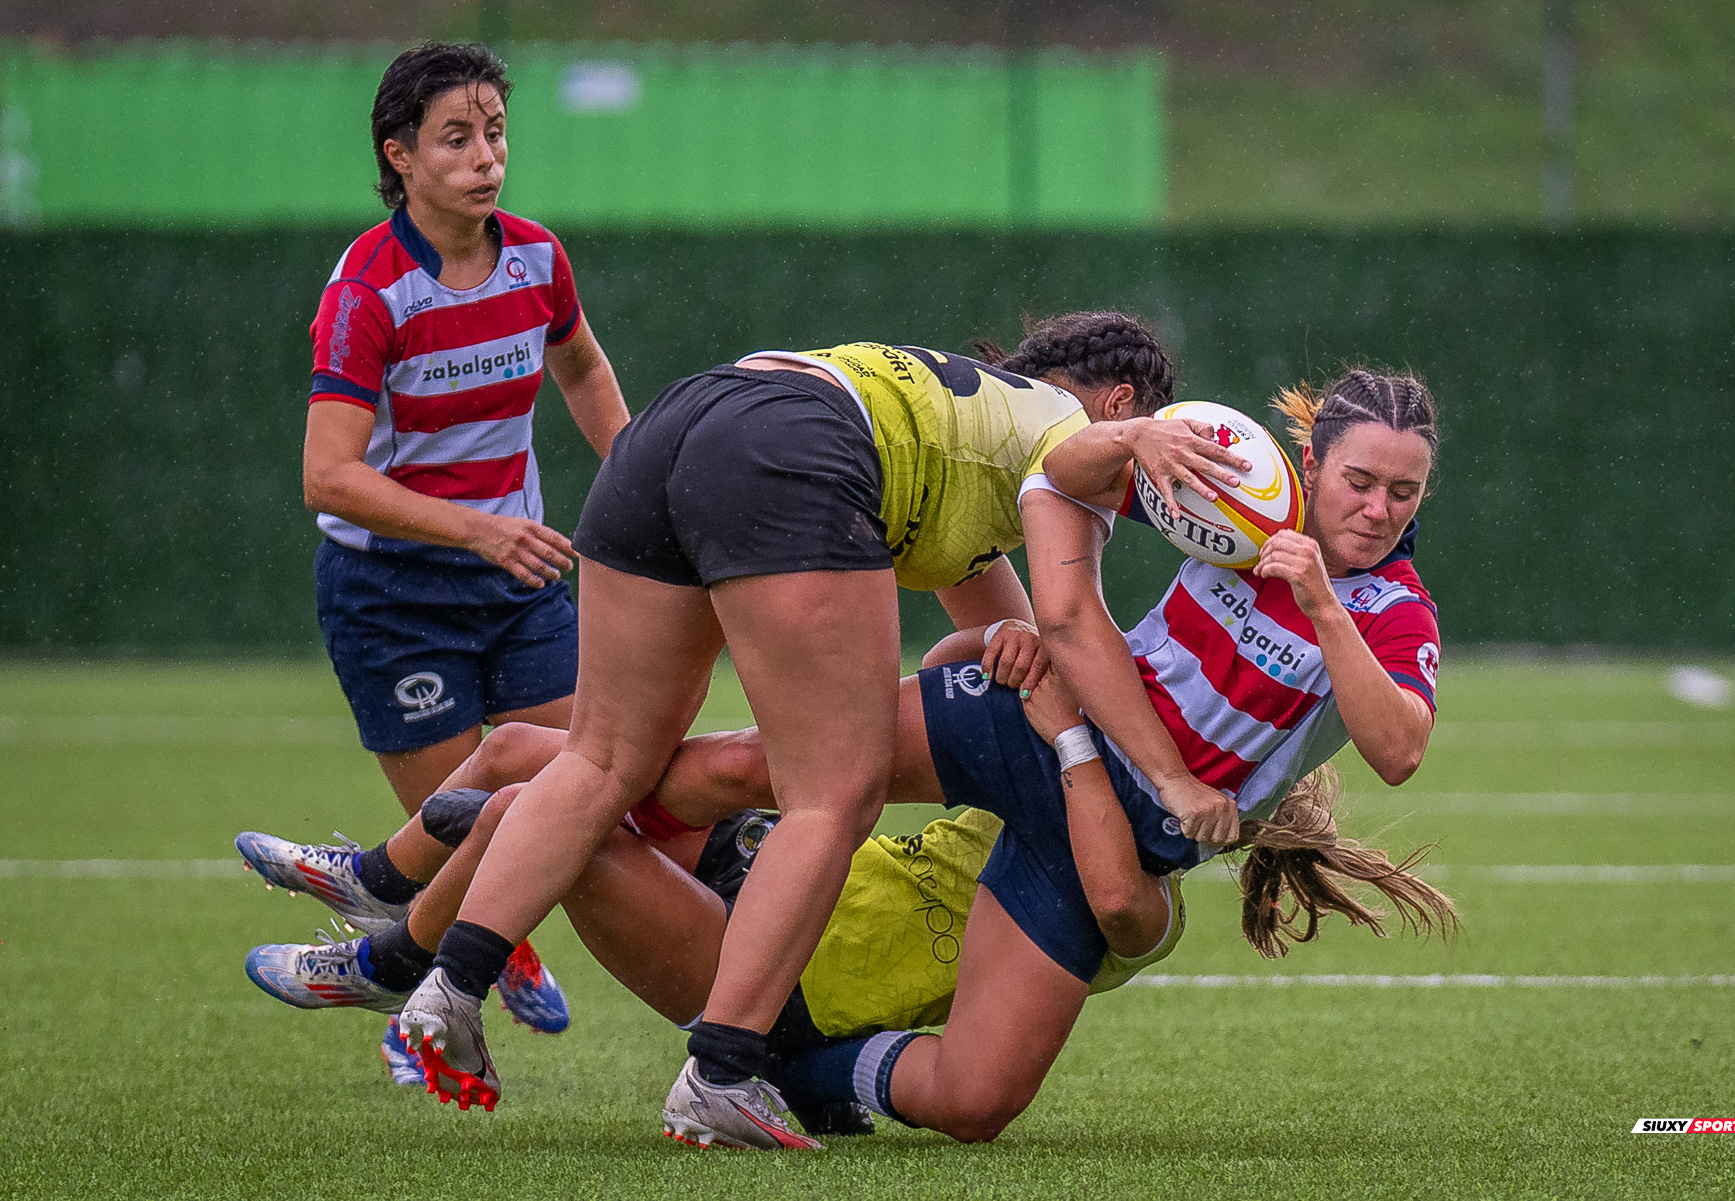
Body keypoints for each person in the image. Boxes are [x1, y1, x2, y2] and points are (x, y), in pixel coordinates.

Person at [396, 316, 1254, 1147]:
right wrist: (1134, 444)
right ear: (1121, 404)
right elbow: (1069, 585)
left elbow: (1007, 642)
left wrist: (1031, 660)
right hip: (794, 444)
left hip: (685, 417)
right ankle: (722, 1073)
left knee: (604, 757)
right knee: (834, 792)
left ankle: (448, 982)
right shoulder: (1068, 438)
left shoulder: (979, 455)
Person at [617, 367, 1454, 1141]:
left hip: (1120, 829)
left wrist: (1322, 603)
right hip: (1048, 712)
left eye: (1405, 493)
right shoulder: (1249, 495)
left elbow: (1397, 750)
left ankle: (797, 1067)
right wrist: (1133, 438)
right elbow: (1060, 475)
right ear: (1312, 461)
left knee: (975, 1100)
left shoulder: (1396, 608)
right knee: (754, 768)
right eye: (1360, 481)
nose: (1379, 510)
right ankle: (574, 807)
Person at [240, 664, 1447, 1141]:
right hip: (774, 860)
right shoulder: (1053, 768)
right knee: (518, 754)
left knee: (531, 814)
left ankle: (398, 954)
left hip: (763, 969)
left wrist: (1080, 734)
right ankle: (385, 899)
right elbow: (929, 715)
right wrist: (1027, 661)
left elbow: (1117, 886)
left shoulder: (1130, 897)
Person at [290, 40, 630, 1058]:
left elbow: (581, 370)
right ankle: (435, 994)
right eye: (456, 137)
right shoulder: (369, 293)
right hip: (390, 595)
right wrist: (484, 527)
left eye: (495, 131)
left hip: (518, 582)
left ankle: (421, 943)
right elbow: (328, 477)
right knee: (468, 832)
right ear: (398, 156)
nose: (486, 156)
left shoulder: (537, 257)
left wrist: (649, 481)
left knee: (593, 786)